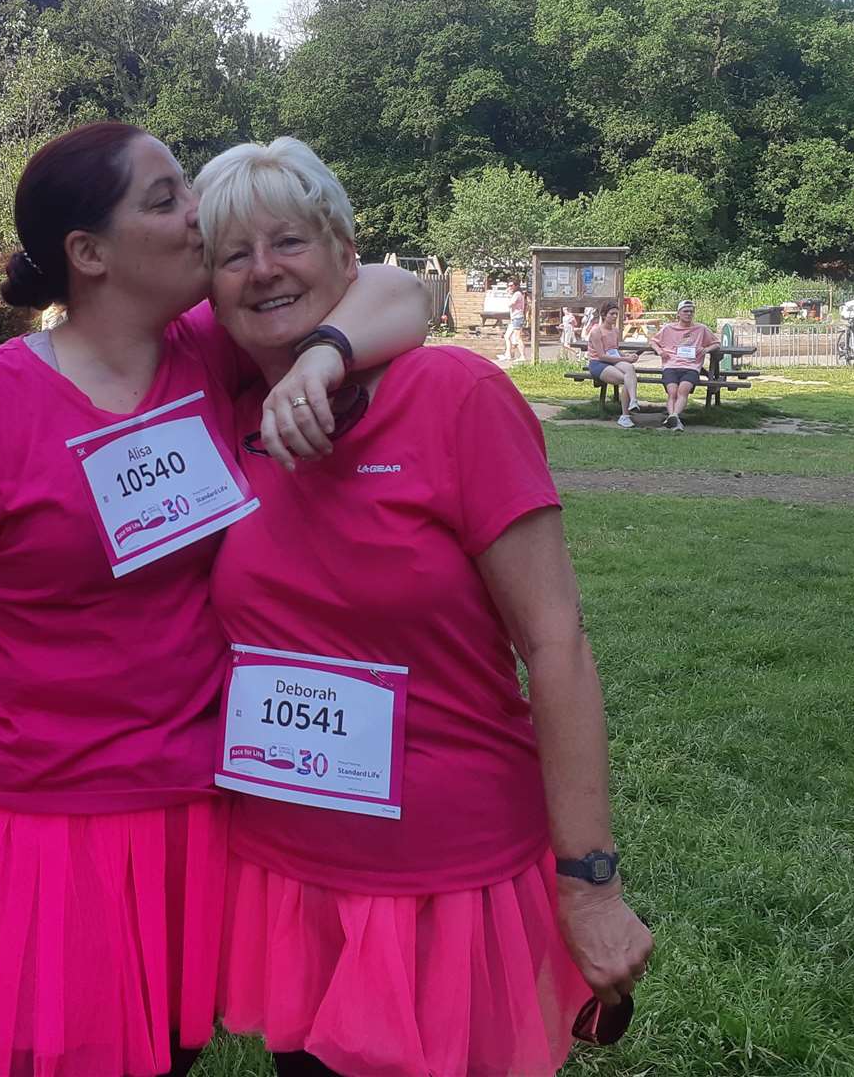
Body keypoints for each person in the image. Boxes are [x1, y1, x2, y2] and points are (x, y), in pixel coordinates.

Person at [0, 121, 430, 1077]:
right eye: (164, 199)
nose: (198, 216)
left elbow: (401, 292)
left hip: (194, 813)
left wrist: (321, 353)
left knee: (168, 1055)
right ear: (89, 254)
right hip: (34, 825)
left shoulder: (211, 354)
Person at [195, 137, 653, 1077]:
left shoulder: (453, 395)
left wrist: (590, 882)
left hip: (445, 870)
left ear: (344, 257)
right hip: (287, 864)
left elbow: (554, 643)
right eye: (233, 254)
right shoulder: (220, 406)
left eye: (289, 242)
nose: (263, 270)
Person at [648, 299, 718, 431]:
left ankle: (673, 416)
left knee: (683, 390)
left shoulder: (701, 329)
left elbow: (716, 343)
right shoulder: (668, 328)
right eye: (685, 311)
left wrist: (706, 350)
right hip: (671, 365)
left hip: (691, 367)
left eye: (691, 311)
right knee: (672, 392)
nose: (689, 314)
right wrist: (660, 351)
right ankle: (675, 420)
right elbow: (653, 341)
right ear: (678, 314)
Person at [586, 303, 641, 429]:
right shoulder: (596, 332)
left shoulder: (615, 330)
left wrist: (628, 356)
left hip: (614, 360)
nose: (615, 316)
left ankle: (633, 401)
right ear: (604, 315)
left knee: (630, 369)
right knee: (627, 378)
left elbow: (615, 350)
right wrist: (625, 358)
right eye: (612, 314)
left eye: (616, 314)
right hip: (598, 363)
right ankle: (625, 416)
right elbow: (602, 356)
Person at [503, 281, 527, 361]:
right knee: (507, 336)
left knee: (518, 337)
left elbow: (511, 303)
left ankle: (523, 356)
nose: (509, 287)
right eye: (508, 285)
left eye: (511, 285)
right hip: (513, 318)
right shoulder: (515, 294)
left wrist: (508, 295)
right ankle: (508, 354)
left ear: (516, 286)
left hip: (517, 318)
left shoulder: (517, 294)